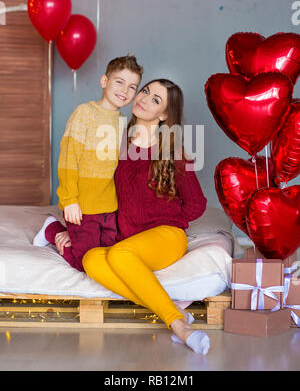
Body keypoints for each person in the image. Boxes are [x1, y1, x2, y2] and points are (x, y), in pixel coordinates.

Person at [37, 78, 209, 354]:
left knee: (118, 256)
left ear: (164, 115)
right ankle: (171, 307)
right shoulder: (115, 140)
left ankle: (179, 326)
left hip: (166, 236)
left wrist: (166, 217)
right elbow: (95, 189)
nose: (144, 98)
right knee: (91, 259)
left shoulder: (172, 151)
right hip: (127, 239)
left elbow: (197, 205)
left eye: (156, 99)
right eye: (145, 91)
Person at [33, 55, 143, 272]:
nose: (125, 90)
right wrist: (69, 200)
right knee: (86, 264)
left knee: (107, 257)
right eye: (119, 82)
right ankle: (53, 230)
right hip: (82, 205)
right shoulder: (84, 113)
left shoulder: (123, 123)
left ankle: (70, 232)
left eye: (132, 87)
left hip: (110, 206)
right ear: (104, 82)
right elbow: (68, 159)